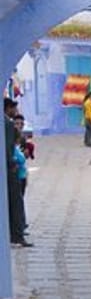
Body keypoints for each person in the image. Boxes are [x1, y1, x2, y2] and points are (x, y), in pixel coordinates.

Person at [4, 99, 28, 247]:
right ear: (8, 108)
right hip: (10, 170)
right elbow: (7, 147)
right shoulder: (7, 124)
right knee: (16, 202)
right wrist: (11, 163)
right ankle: (17, 235)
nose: (16, 111)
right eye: (14, 108)